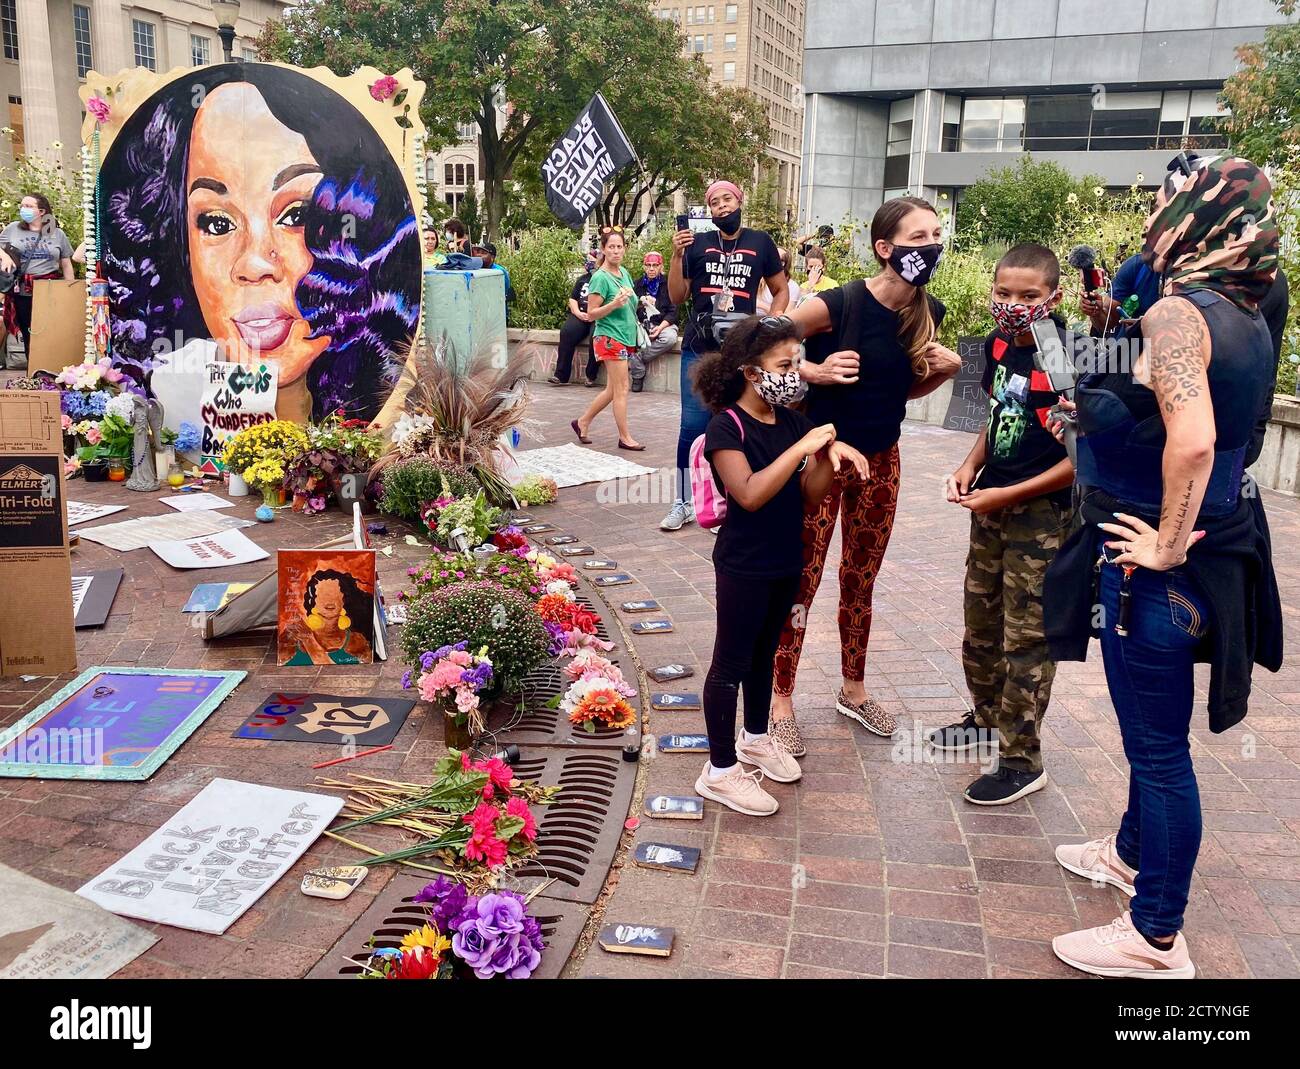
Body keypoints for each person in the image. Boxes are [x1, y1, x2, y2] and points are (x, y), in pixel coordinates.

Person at [1044, 155, 1282, 979]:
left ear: (1196, 214)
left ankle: (1155, 933)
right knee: (1160, 738)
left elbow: (1197, 439)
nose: (1156, 212)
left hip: (1167, 567)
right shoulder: (1244, 309)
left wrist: (1165, 543)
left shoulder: (1180, 313)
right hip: (1210, 546)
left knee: (1157, 751)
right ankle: (1129, 854)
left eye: (1169, 201)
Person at [99, 64, 420, 422]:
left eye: (298, 216)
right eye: (217, 223)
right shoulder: (170, 396)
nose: (254, 264)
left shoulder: (394, 418)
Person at [768, 196, 961, 757]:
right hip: (824, 460)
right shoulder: (841, 303)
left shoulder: (928, 312)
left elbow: (894, 391)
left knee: (860, 580)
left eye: (934, 236)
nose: (929, 247)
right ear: (886, 248)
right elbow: (761, 340)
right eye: (917, 237)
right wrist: (814, 368)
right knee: (802, 579)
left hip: (881, 462)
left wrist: (937, 376)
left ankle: (853, 688)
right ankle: (781, 700)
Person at [694, 315, 870, 815]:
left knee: (764, 654)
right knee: (730, 661)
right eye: (784, 364)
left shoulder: (794, 421)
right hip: (743, 563)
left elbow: (811, 499)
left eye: (798, 363)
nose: (795, 373)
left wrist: (827, 462)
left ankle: (754, 737)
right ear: (751, 372)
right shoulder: (725, 427)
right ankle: (721, 771)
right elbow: (748, 494)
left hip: (785, 558)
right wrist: (805, 447)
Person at [931, 244, 1074, 805]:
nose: (1013, 305)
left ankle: (1021, 759)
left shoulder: (1062, 356)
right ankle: (987, 717)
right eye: (1004, 294)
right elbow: (999, 416)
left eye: (1029, 296)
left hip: (1040, 514)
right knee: (980, 621)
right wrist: (969, 466)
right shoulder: (996, 346)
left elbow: (1078, 459)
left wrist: (1006, 494)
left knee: (1027, 638)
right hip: (992, 501)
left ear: (1053, 298)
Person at [663, 179, 789, 530]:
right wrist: (676, 255)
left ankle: (724, 499)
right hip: (699, 347)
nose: (722, 206)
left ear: (739, 200)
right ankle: (684, 501)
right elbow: (676, 296)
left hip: (740, 349)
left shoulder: (760, 242)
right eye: (714, 202)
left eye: (727, 199)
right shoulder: (696, 243)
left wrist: (773, 322)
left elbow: (779, 290)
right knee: (692, 427)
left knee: (735, 424)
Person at [570, 227, 643, 450]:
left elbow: (631, 302)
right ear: (603, 249)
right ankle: (624, 437)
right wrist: (614, 304)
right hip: (610, 337)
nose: (616, 251)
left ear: (625, 249)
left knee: (613, 389)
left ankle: (582, 422)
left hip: (625, 336)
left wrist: (643, 301)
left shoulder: (624, 273)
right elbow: (592, 313)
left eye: (619, 246)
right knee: (622, 388)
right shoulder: (600, 278)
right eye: (611, 247)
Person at [0, 193, 76, 362]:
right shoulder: (13, 228)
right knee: (29, 330)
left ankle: (52, 366)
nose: (23, 209)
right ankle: (33, 369)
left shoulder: (57, 234)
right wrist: (4, 256)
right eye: (22, 206)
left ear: (42, 211)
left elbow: (66, 264)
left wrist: (69, 289)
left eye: (28, 206)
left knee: (51, 329)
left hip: (50, 287)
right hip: (24, 288)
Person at [284, 569, 374, 665]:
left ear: (344, 600)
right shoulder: (294, 636)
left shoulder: (357, 641)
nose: (329, 600)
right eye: (323, 595)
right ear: (312, 601)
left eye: (335, 594)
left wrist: (308, 640)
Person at [630, 251, 678, 392]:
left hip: (663, 323)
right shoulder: (637, 284)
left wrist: (660, 328)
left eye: (655, 265)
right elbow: (630, 308)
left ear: (661, 266)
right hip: (641, 323)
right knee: (628, 337)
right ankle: (638, 375)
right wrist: (641, 302)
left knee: (670, 338)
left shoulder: (669, 284)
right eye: (648, 265)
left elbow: (673, 312)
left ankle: (639, 360)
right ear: (644, 267)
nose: (651, 269)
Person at [549, 255, 600, 386]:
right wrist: (577, 313)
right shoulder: (582, 279)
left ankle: (591, 375)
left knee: (596, 336)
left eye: (593, 261)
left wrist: (594, 314)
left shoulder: (604, 279)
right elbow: (572, 299)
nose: (590, 264)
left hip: (598, 316)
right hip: (580, 315)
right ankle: (561, 375)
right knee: (567, 332)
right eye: (588, 261)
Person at [757, 246, 800, 314]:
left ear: (785, 264)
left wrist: (761, 305)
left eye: (778, 259)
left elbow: (786, 316)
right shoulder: (759, 279)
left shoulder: (792, 286)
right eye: (771, 257)